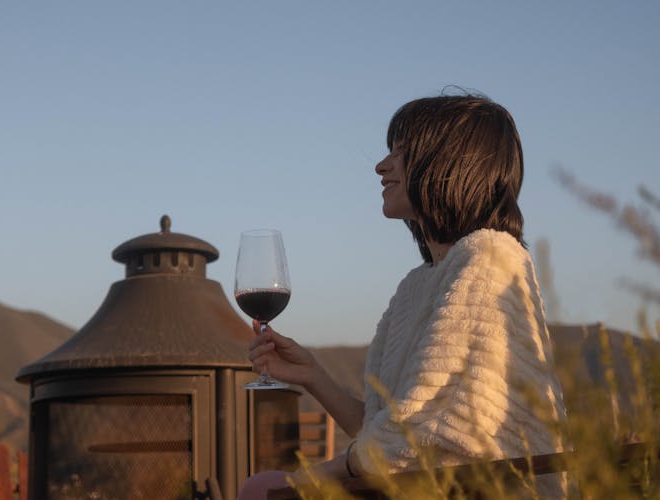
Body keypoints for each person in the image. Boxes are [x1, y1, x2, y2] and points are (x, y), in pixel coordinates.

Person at [238, 92, 567, 499]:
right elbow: (391, 435)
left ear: (449, 162)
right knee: (259, 487)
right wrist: (312, 376)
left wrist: (307, 480)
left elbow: (423, 440)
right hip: (420, 487)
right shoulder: (419, 284)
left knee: (259, 490)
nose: (381, 166)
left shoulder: (490, 260)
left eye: (402, 151)